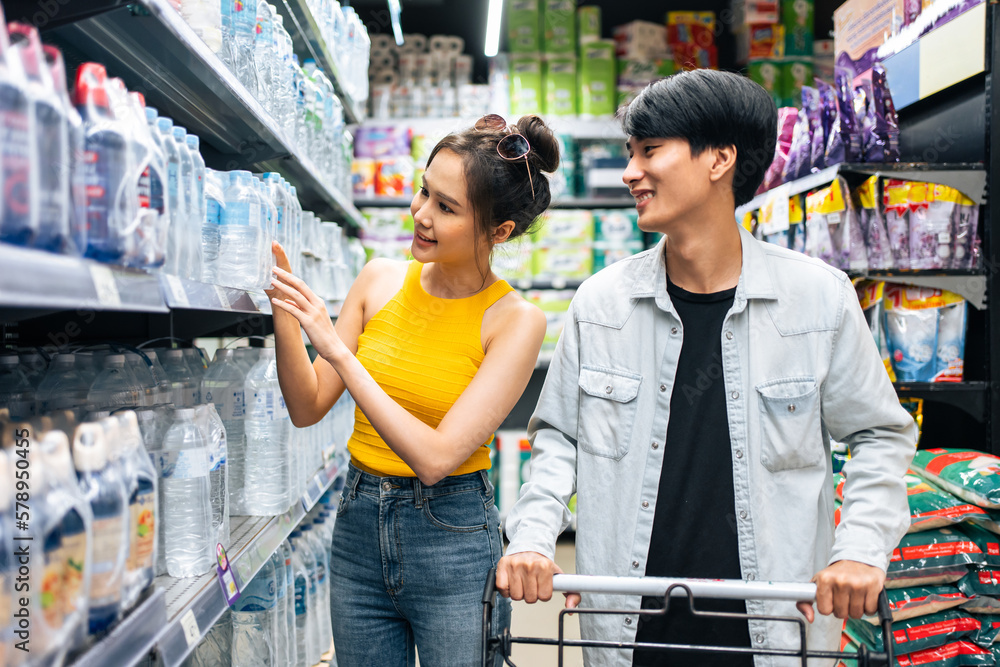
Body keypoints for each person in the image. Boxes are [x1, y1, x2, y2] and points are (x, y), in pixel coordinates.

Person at [497, 70, 916, 667]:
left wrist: (860, 550)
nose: (630, 172)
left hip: (773, 628)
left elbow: (878, 435)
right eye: (629, 153)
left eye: (650, 151)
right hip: (627, 627)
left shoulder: (817, 300)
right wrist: (534, 539)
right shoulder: (603, 303)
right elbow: (560, 437)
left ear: (720, 158)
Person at [265, 114, 555, 665]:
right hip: (356, 526)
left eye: (446, 208)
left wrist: (341, 355)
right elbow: (305, 407)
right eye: (425, 191)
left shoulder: (515, 321)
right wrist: (285, 308)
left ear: (499, 232)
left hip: (452, 537)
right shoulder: (378, 278)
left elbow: (436, 459)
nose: (420, 215)